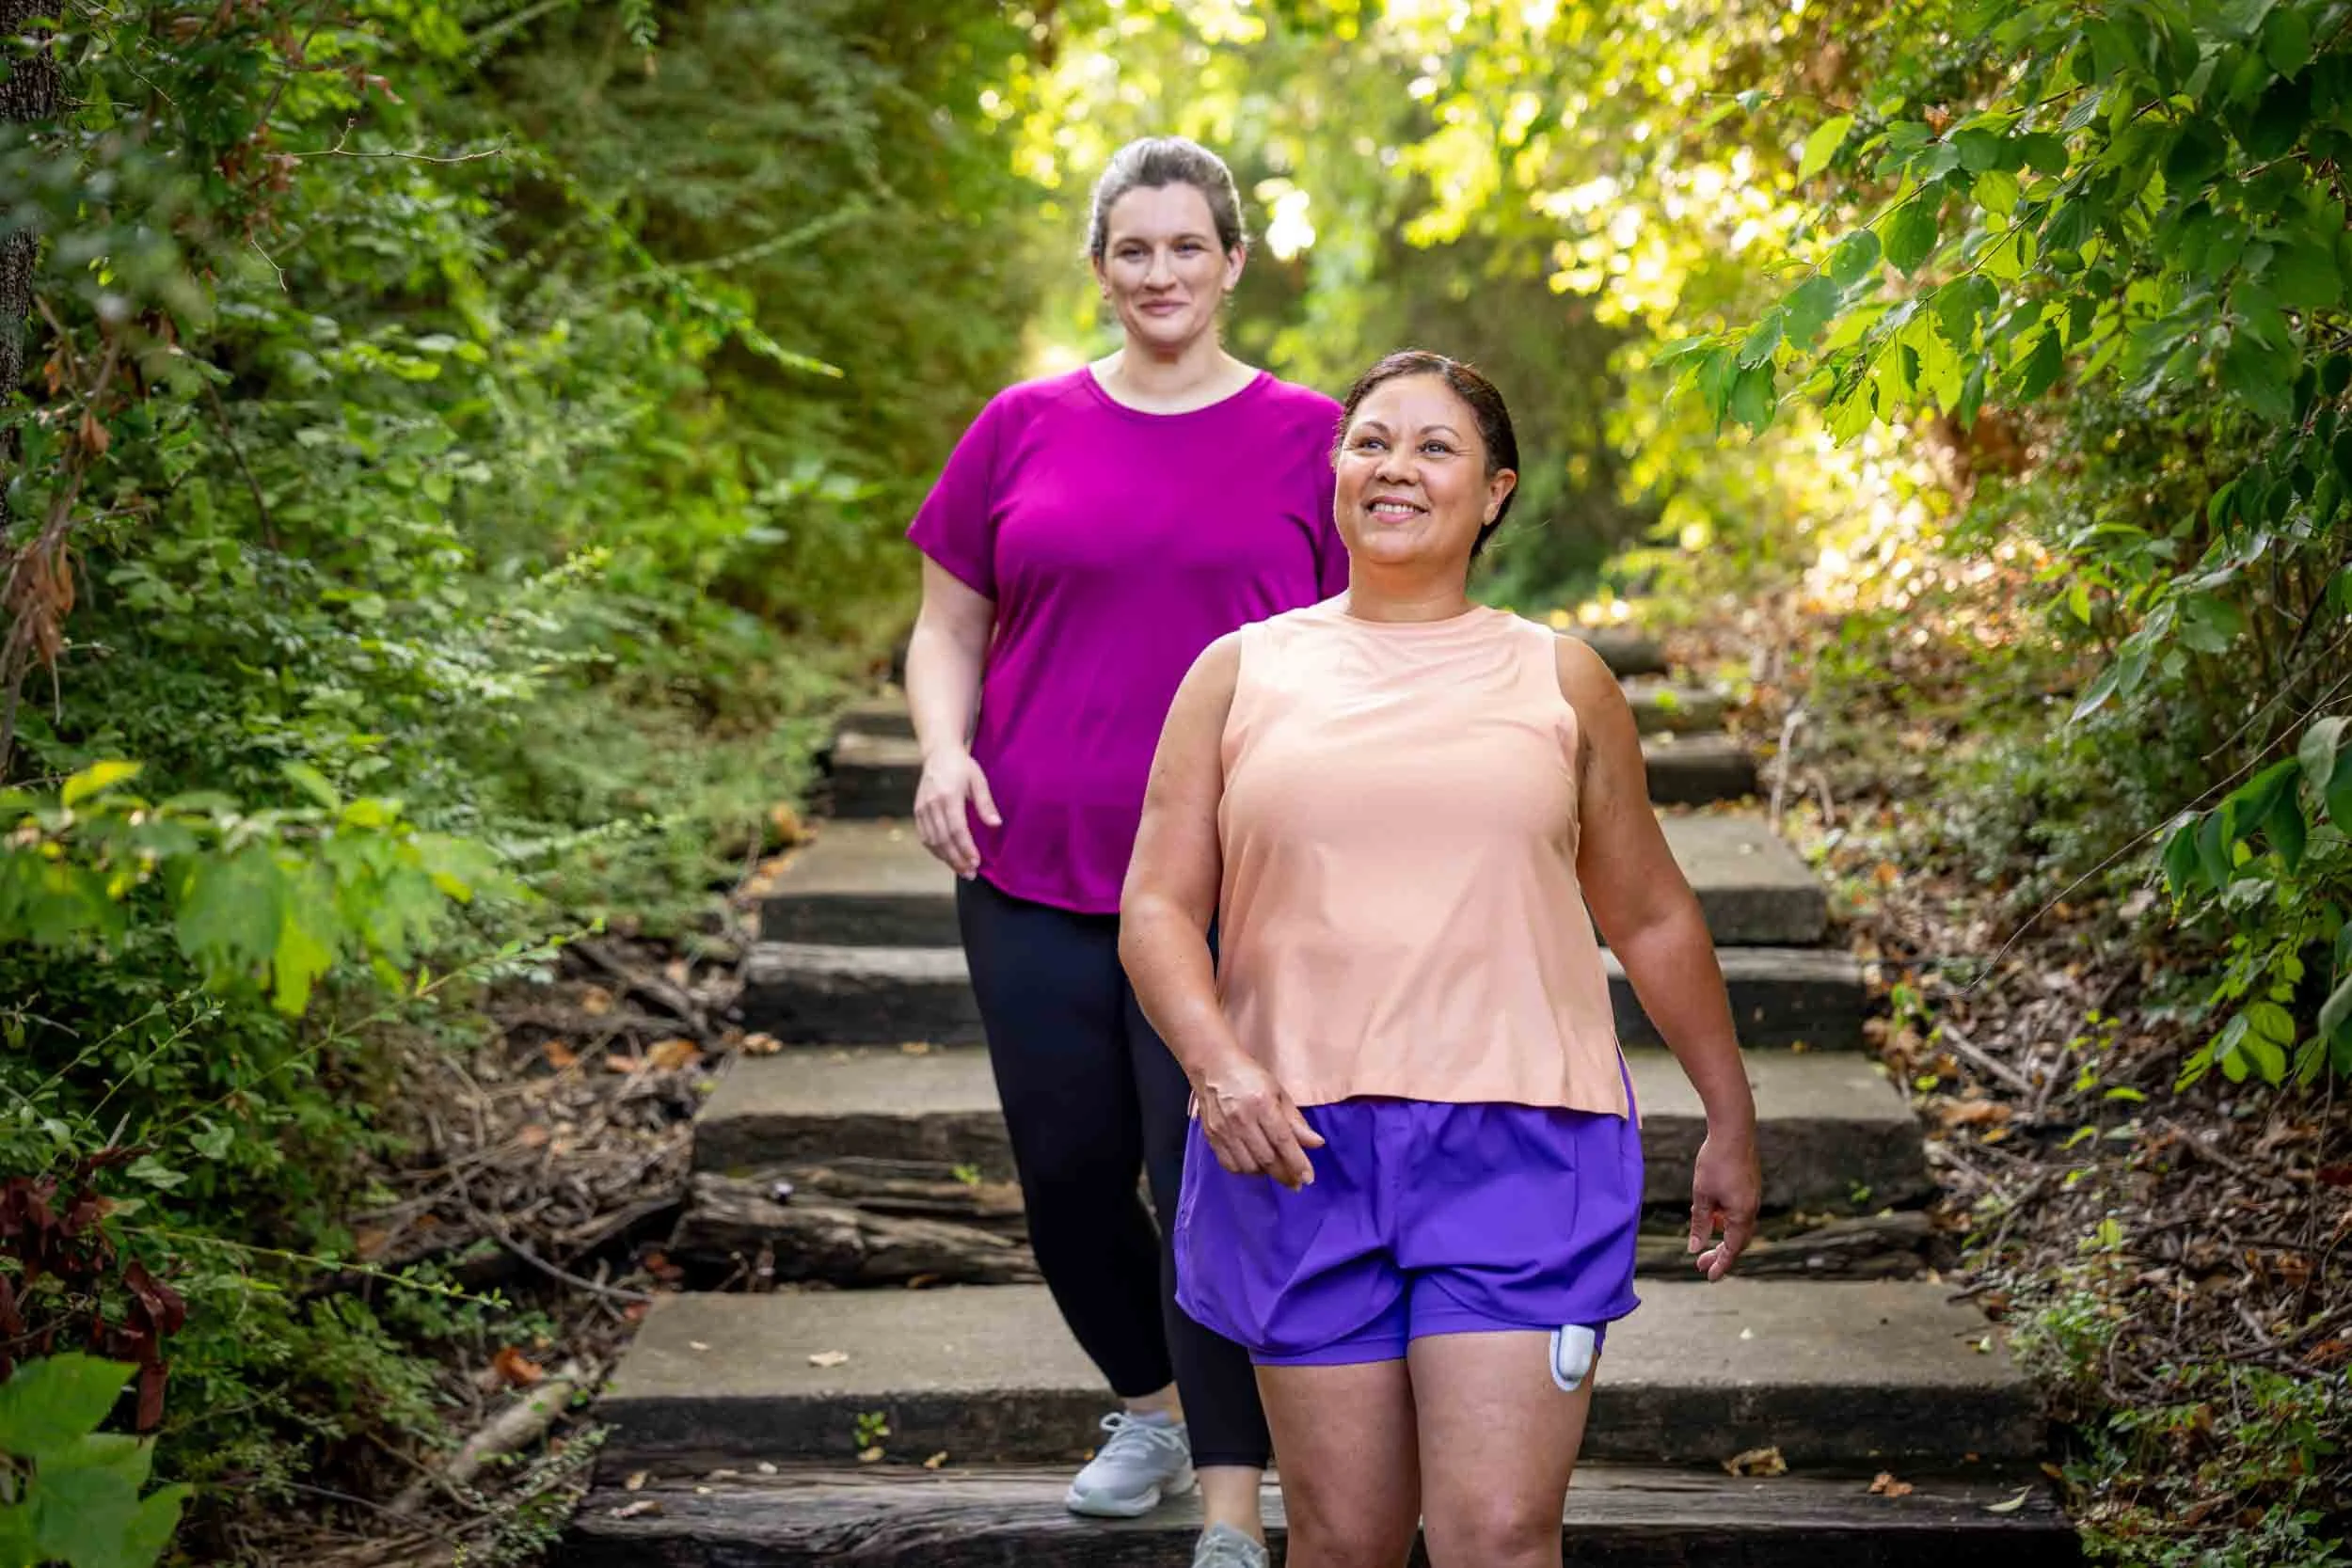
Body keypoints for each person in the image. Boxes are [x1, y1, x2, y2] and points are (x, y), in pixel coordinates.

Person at [1118, 350, 1765, 1568]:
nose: (1395, 468)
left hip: (1525, 1141)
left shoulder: (1561, 677)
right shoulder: (1240, 672)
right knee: (1343, 1541)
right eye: (1370, 442)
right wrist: (1216, 1065)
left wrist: (1728, 1114)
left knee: (1497, 1536)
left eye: (1434, 447)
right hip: (1297, 1147)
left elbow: (1653, 916)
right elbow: (1155, 903)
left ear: (1495, 490)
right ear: (1335, 473)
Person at [900, 136, 1347, 1568]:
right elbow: (946, 626)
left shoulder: (1314, 436)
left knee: (1204, 1172)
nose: (1161, 273)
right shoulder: (1018, 426)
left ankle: (1232, 1499)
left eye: (1186, 247)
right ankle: (1147, 1409)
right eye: (1134, 249)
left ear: (1233, 262)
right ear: (1101, 268)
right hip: (1028, 858)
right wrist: (943, 749)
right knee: (1069, 1174)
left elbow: (1370, 649)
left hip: (1230, 885)